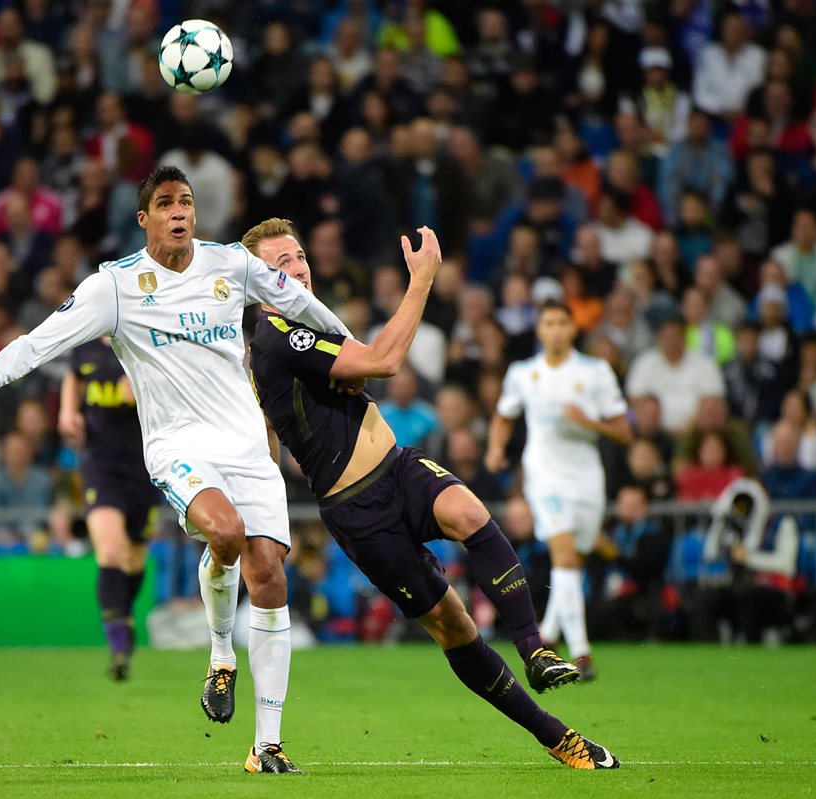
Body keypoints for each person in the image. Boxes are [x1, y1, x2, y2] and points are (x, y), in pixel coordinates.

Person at [0, 166, 352, 774]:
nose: (178, 211)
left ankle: (266, 745)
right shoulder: (115, 286)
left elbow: (303, 304)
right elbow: (41, 340)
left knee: (269, 576)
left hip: (247, 447)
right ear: (145, 219)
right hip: (177, 445)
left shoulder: (232, 264)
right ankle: (221, 653)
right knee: (225, 533)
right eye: (165, 203)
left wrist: (352, 356)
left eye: (185, 201)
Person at [244, 218, 616, 770]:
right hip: (357, 511)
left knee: (468, 511)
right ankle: (556, 736)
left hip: (397, 468)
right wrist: (422, 280)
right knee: (453, 626)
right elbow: (384, 361)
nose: (298, 269)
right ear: (257, 283)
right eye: (281, 265)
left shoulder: (310, 323)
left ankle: (535, 648)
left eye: (299, 257)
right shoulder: (279, 336)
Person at [486, 300, 632, 682]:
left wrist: (588, 422)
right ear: (540, 330)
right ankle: (582, 653)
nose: (555, 330)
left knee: (571, 565)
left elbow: (624, 431)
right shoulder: (523, 373)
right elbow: (504, 415)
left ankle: (548, 635)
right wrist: (496, 448)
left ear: (572, 329)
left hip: (587, 479)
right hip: (544, 476)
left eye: (562, 323)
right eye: (548, 323)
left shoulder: (595, 371)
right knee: (564, 555)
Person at [59, 337, 160, 681]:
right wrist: (68, 411)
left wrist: (144, 391)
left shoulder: (145, 338)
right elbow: (74, 373)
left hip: (145, 465)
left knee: (134, 559)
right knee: (111, 550)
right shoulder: (87, 344)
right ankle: (118, 645)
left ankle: (123, 615)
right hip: (100, 464)